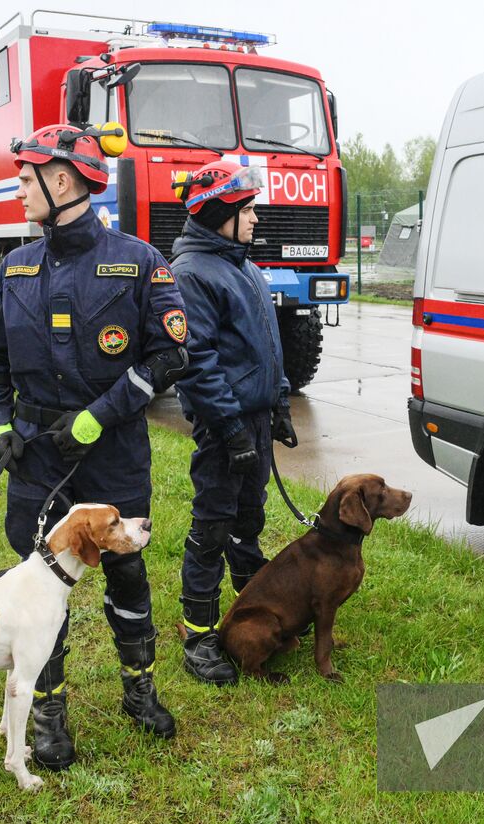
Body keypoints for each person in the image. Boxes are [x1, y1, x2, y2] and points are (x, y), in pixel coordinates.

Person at [0, 123, 190, 768]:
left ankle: (139, 689)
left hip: (113, 453)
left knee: (126, 569)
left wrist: (100, 416)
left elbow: (171, 352)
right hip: (38, 455)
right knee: (42, 583)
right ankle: (48, 712)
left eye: (24, 178)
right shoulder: (15, 267)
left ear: (61, 180)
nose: (17, 189)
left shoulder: (140, 262)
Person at [169, 159, 298, 686]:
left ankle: (256, 608)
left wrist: (281, 403)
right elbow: (197, 362)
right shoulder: (192, 273)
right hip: (226, 427)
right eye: (247, 210)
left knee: (250, 518)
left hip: (255, 419)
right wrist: (229, 430)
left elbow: (268, 345)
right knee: (212, 526)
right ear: (219, 211)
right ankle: (199, 633)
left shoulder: (244, 265)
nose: (255, 219)